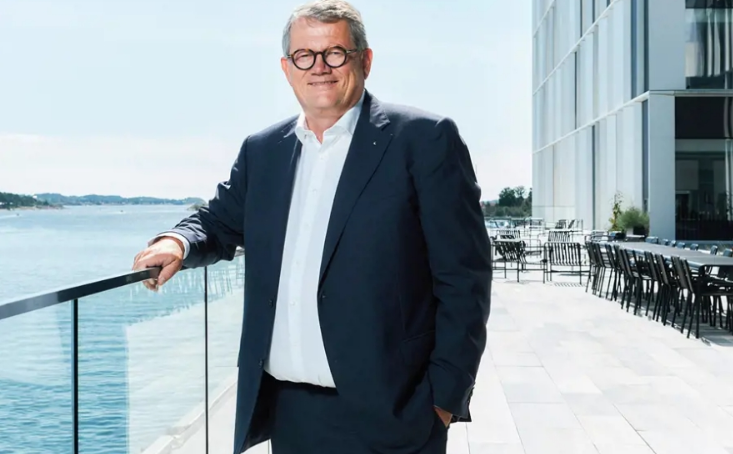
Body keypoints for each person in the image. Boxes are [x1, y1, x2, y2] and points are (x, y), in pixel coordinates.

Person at [132, 1, 492, 453]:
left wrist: (443, 400)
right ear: (287, 68)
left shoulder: (424, 139)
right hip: (292, 415)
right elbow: (218, 220)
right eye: (305, 55)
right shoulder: (262, 151)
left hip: (396, 412)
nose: (319, 67)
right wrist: (177, 241)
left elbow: (464, 278)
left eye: (335, 53)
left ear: (365, 60)